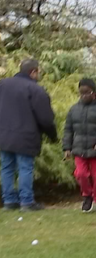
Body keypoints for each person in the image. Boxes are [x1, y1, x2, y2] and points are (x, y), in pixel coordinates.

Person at [0, 59, 56, 212]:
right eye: (38, 72)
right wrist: (53, 136)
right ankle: (26, 201)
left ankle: (9, 201)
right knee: (25, 168)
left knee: (7, 168)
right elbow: (46, 118)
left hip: (3, 135)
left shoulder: (3, 85)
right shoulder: (35, 89)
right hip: (25, 136)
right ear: (33, 72)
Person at [63, 78, 96, 214]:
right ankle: (87, 196)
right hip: (79, 149)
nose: (84, 95)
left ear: (94, 93)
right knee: (81, 174)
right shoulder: (73, 110)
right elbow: (68, 130)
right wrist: (67, 148)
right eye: (81, 93)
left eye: (87, 92)